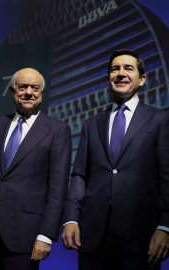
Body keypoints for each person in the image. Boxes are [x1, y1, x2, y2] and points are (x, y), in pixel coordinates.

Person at [61, 49, 169, 270]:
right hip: (92, 239)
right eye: (114, 69)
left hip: (141, 238)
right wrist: (71, 218)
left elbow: (167, 176)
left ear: (142, 79)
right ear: (108, 79)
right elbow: (80, 174)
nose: (121, 73)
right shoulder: (91, 124)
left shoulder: (161, 119)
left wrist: (165, 226)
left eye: (128, 68)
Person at [0, 67, 72, 270]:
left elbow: (58, 188)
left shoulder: (58, 130)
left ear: (41, 93)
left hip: (26, 237)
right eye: (23, 87)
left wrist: (46, 235)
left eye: (35, 87)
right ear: (13, 91)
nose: (29, 92)